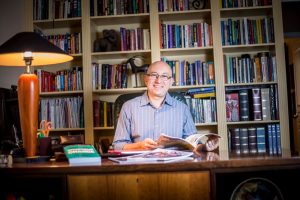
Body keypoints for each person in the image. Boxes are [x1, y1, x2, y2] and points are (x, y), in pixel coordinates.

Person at [112, 61, 219, 151]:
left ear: (171, 82)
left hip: (175, 167)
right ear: (146, 79)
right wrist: (139, 146)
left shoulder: (182, 109)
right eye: (154, 75)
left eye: (164, 76)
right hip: (140, 167)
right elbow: (117, 146)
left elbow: (192, 143)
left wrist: (204, 147)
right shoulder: (128, 107)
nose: (158, 80)